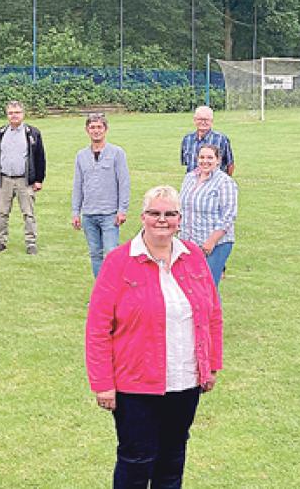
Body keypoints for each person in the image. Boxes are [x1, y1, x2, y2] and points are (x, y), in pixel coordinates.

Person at [86, 185, 222, 488]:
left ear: (180, 219)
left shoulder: (194, 257)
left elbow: (212, 314)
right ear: (143, 217)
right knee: (136, 460)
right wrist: (102, 383)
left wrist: (210, 365)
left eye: (170, 214)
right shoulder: (119, 261)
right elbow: (97, 327)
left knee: (172, 459)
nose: (163, 220)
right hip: (135, 384)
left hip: (185, 381)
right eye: (155, 213)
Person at [71, 113, 131, 278]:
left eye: (99, 127)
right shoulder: (81, 155)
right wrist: (75, 212)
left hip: (109, 214)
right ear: (87, 130)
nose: (96, 131)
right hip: (89, 214)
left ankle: (115, 292)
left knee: (112, 254)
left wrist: (122, 209)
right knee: (95, 254)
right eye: (92, 127)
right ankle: (100, 292)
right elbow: (78, 185)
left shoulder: (117, 153)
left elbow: (124, 183)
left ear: (106, 129)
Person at [0, 100, 46, 254]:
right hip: (4, 179)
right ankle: (0, 242)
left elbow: (40, 157)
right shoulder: (0, 133)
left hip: (24, 180)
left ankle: (31, 243)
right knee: (1, 213)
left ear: (23, 114)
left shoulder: (32, 133)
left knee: (28, 213)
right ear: (7, 115)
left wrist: (39, 180)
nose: (14, 115)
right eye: (11, 113)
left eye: (17, 112)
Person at [179, 144, 238, 293]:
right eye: (202, 157)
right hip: (189, 242)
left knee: (207, 288)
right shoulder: (190, 177)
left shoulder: (224, 182)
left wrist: (211, 241)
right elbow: (182, 207)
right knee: (189, 287)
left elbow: (229, 214)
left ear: (218, 160)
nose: (205, 161)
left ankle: (213, 317)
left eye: (210, 157)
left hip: (215, 244)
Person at [180, 105, 234, 175]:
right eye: (200, 119)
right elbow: (186, 163)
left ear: (212, 121)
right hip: (193, 183)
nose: (203, 122)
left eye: (206, 119)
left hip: (214, 183)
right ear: (194, 120)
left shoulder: (221, 139)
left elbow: (230, 164)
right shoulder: (187, 139)